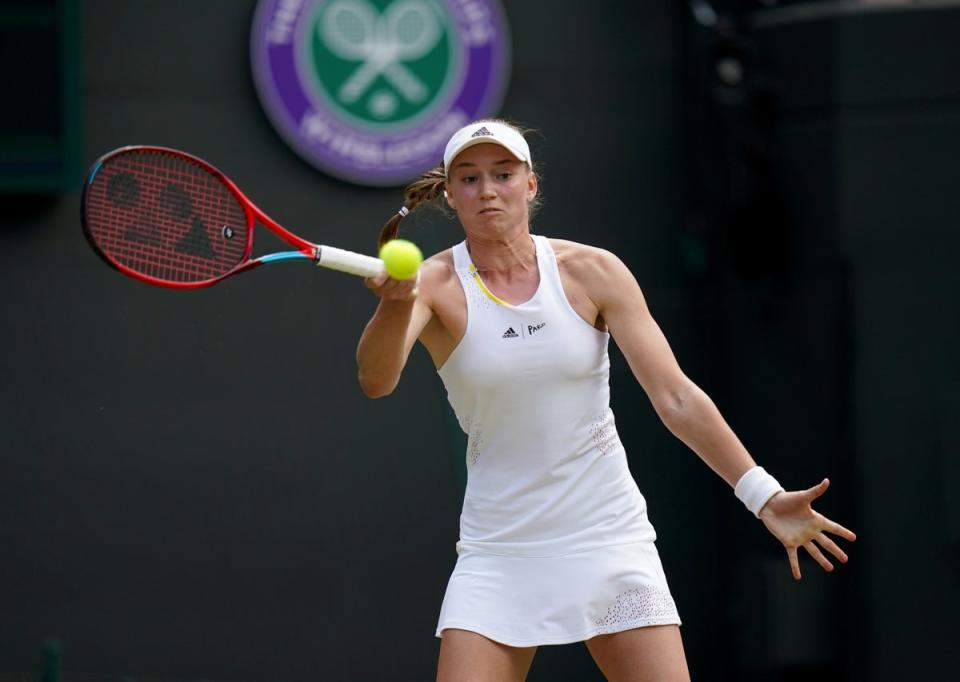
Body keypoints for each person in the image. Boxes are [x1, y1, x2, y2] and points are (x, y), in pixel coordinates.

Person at [356, 120, 856, 682]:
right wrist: (395, 305)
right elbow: (377, 379)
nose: (488, 190)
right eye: (469, 179)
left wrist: (763, 495)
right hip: (498, 550)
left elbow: (676, 398)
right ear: (451, 195)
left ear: (531, 184)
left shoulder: (592, 270)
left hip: (607, 536)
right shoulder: (433, 283)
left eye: (503, 174)